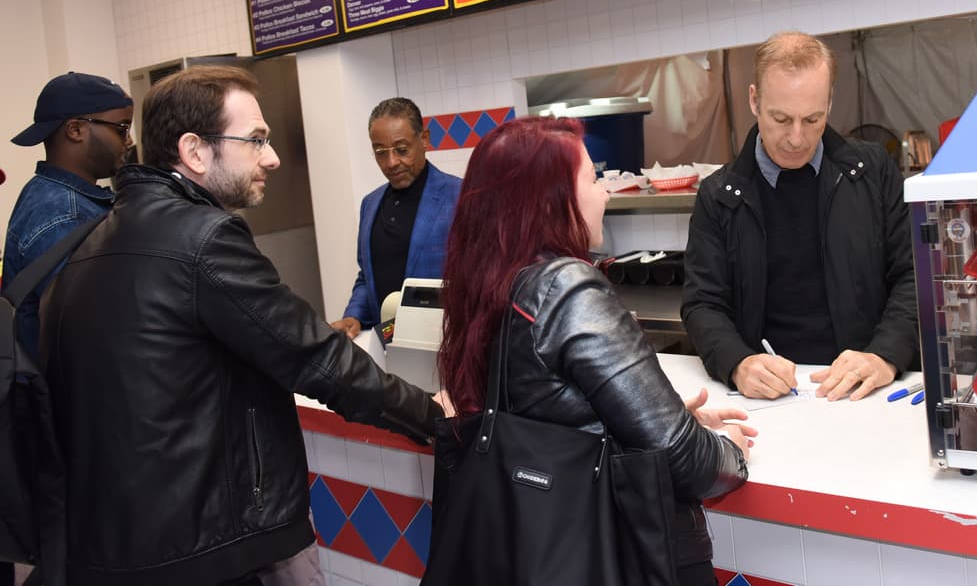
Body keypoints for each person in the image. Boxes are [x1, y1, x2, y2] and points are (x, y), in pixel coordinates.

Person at [39, 66, 442, 586]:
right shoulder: (204, 238)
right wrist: (433, 417)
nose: (272, 158)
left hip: (112, 543)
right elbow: (319, 360)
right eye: (255, 140)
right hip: (202, 546)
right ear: (196, 151)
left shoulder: (96, 236)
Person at [437, 116, 752, 586]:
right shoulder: (567, 288)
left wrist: (660, 414)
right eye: (591, 178)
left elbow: (550, 419)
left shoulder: (488, 285)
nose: (605, 192)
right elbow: (681, 459)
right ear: (548, 198)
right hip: (614, 552)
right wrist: (731, 453)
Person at [682, 31, 918, 401]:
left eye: (812, 119)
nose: (796, 138)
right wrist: (737, 362)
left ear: (829, 102)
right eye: (780, 118)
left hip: (863, 392)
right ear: (754, 100)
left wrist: (885, 354)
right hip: (769, 399)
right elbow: (702, 304)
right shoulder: (719, 195)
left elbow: (912, 274)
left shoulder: (873, 171)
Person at [3, 72, 134, 359]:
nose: (128, 141)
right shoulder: (64, 215)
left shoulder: (50, 194)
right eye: (122, 128)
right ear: (75, 130)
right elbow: (89, 333)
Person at [330, 98, 461, 339]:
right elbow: (366, 276)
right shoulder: (370, 204)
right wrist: (354, 316)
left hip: (446, 343)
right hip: (386, 341)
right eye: (381, 152)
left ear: (424, 140)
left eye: (402, 150)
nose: (391, 163)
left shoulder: (460, 196)